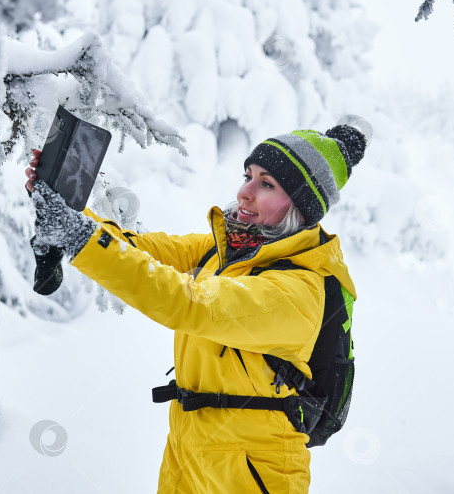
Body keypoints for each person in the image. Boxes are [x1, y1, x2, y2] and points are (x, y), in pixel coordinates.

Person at [25, 125, 365, 494]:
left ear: (300, 205)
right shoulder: (227, 250)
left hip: (251, 472)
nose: (244, 192)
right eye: (248, 176)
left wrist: (79, 236)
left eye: (267, 184)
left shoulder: (298, 291)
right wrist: (70, 209)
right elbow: (138, 251)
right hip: (186, 453)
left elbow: (188, 302)